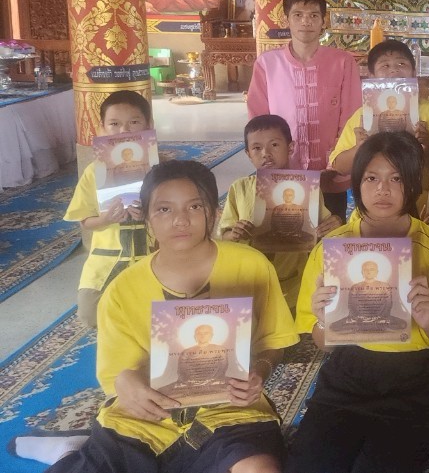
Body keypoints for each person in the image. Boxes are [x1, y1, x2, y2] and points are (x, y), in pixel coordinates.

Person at [46, 160, 298, 473]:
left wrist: (259, 370)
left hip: (231, 411)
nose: (180, 220)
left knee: (258, 468)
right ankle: (74, 451)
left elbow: (273, 341)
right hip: (147, 418)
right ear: (147, 219)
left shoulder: (252, 266)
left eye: (195, 206)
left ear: (214, 213)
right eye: (164, 209)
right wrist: (126, 383)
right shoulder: (122, 289)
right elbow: (118, 375)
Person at [291, 132, 429, 473]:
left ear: (412, 184)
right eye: (371, 178)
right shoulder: (332, 250)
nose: (383, 190)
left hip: (416, 381)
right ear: (357, 183)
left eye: (396, 179)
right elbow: (323, 344)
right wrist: (324, 321)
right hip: (348, 376)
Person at [248, 0, 361, 220]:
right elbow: (258, 119)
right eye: (298, 15)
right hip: (283, 168)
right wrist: (265, 156)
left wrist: (337, 161)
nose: (306, 22)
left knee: (331, 226)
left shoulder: (342, 62)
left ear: (323, 21)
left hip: (331, 170)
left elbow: (352, 114)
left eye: (313, 15)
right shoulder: (267, 64)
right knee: (285, 228)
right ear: (286, 20)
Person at [219, 115, 341, 307]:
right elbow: (223, 235)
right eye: (257, 148)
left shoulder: (308, 187)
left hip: (295, 279)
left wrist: (334, 224)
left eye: (274, 145)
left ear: (290, 148)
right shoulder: (239, 188)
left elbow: (325, 232)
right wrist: (233, 234)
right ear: (248, 153)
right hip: (251, 280)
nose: (265, 153)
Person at [329, 40, 429, 211]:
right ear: (371, 76)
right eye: (385, 65)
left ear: (414, 73)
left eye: (401, 64)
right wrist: (359, 148)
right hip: (376, 206)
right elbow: (338, 167)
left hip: (426, 208)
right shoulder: (363, 116)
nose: (394, 70)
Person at [65, 91, 153, 327]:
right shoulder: (94, 172)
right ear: (102, 128)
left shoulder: (161, 169)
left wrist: (151, 215)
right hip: (109, 257)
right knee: (90, 315)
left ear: (148, 125)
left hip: (155, 255)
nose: (124, 131)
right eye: (114, 124)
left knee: (165, 312)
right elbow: (85, 220)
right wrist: (105, 219)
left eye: (134, 122)